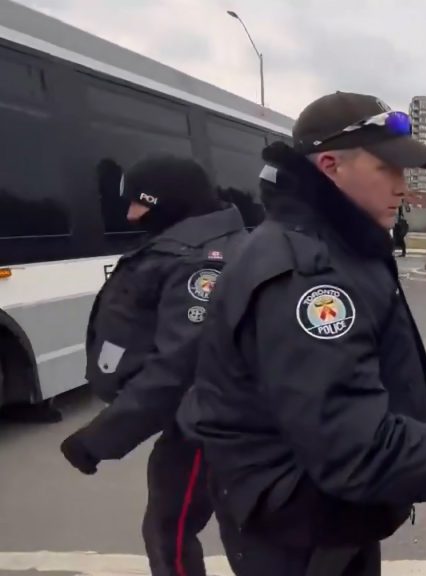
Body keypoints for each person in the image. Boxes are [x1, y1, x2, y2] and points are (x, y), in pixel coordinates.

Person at [176, 91, 426, 576]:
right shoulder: (308, 274)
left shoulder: (337, 244)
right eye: (387, 168)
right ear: (330, 165)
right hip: (297, 535)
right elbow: (353, 447)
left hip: (330, 515)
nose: (402, 186)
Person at [59, 155, 248, 576]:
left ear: (170, 201)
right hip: (209, 415)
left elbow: (178, 368)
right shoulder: (193, 246)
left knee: (175, 528)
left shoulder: (199, 262)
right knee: (213, 531)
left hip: (209, 422)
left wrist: (100, 438)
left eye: (139, 205)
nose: (130, 215)